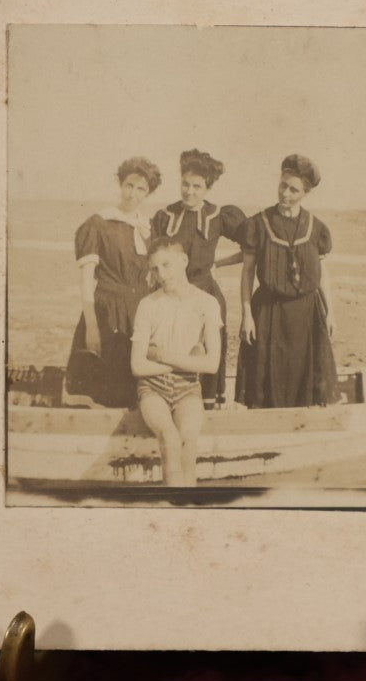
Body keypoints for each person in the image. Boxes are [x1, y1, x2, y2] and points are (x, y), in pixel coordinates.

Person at [236, 154, 340, 409]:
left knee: (305, 375)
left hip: (306, 313)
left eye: (294, 190)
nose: (285, 193)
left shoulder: (316, 228)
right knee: (265, 377)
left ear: (305, 193)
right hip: (269, 311)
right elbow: (247, 272)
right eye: (283, 185)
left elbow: (323, 275)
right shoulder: (258, 224)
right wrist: (246, 315)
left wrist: (330, 314)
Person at [151, 149, 246, 407]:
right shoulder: (166, 216)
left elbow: (253, 247)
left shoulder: (218, 216)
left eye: (197, 186)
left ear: (207, 188)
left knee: (206, 352)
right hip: (173, 297)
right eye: (185, 184)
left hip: (206, 296)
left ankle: (208, 405)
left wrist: (219, 263)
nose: (189, 191)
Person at [66, 156, 161, 408]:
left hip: (139, 314)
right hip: (108, 311)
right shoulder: (98, 223)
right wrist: (92, 326)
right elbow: (86, 280)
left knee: (137, 390)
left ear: (148, 193)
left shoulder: (147, 228)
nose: (133, 194)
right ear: (121, 184)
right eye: (129, 185)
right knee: (105, 388)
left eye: (142, 189)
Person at [130, 239, 222, 487]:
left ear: (183, 261)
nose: (161, 274)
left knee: (188, 443)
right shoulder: (148, 305)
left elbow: (212, 364)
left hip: (188, 388)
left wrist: (161, 356)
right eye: (155, 269)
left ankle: (186, 508)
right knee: (169, 438)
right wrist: (186, 362)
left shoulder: (207, 303)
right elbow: (138, 367)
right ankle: (173, 506)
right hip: (152, 388)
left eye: (167, 265)